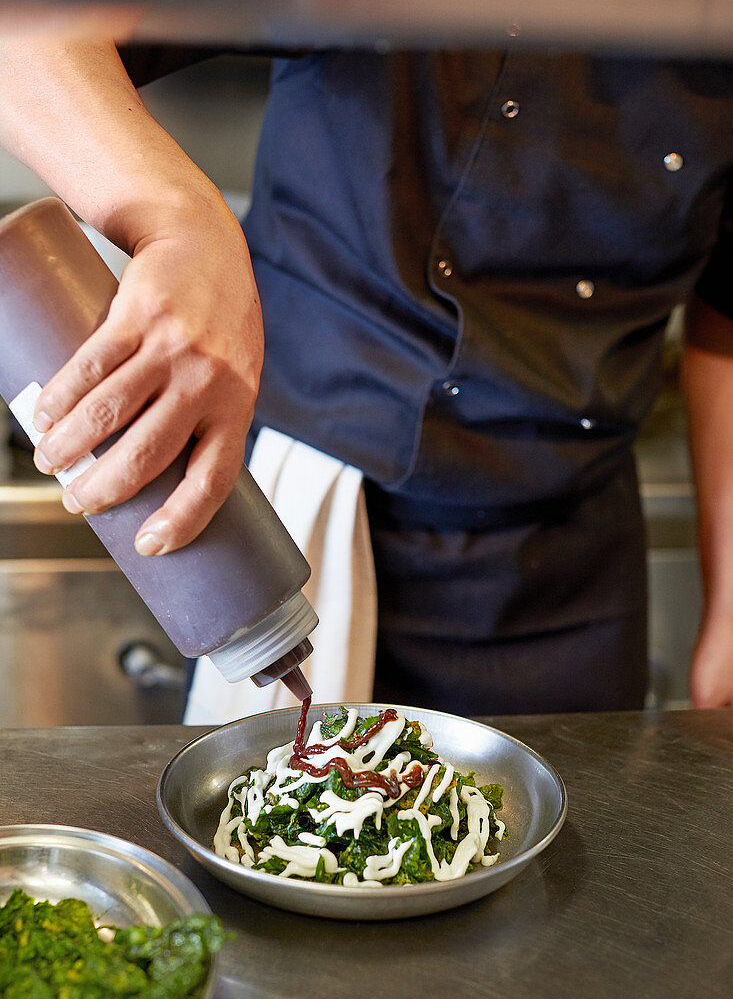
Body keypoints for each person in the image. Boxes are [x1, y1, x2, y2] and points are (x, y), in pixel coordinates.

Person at [0, 39, 731, 713]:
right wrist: (178, 217)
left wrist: (728, 604)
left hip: (574, 554)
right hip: (302, 513)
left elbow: (723, 327)